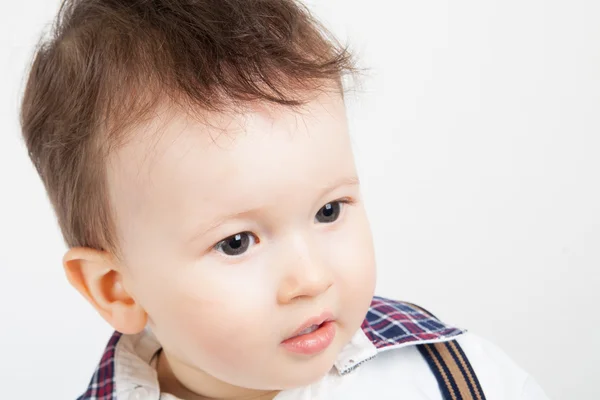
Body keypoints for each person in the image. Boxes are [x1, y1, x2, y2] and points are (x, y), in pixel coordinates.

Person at [19, 0, 550, 399]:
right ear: (118, 290)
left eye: (328, 211)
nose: (311, 279)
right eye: (236, 243)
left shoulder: (456, 375)